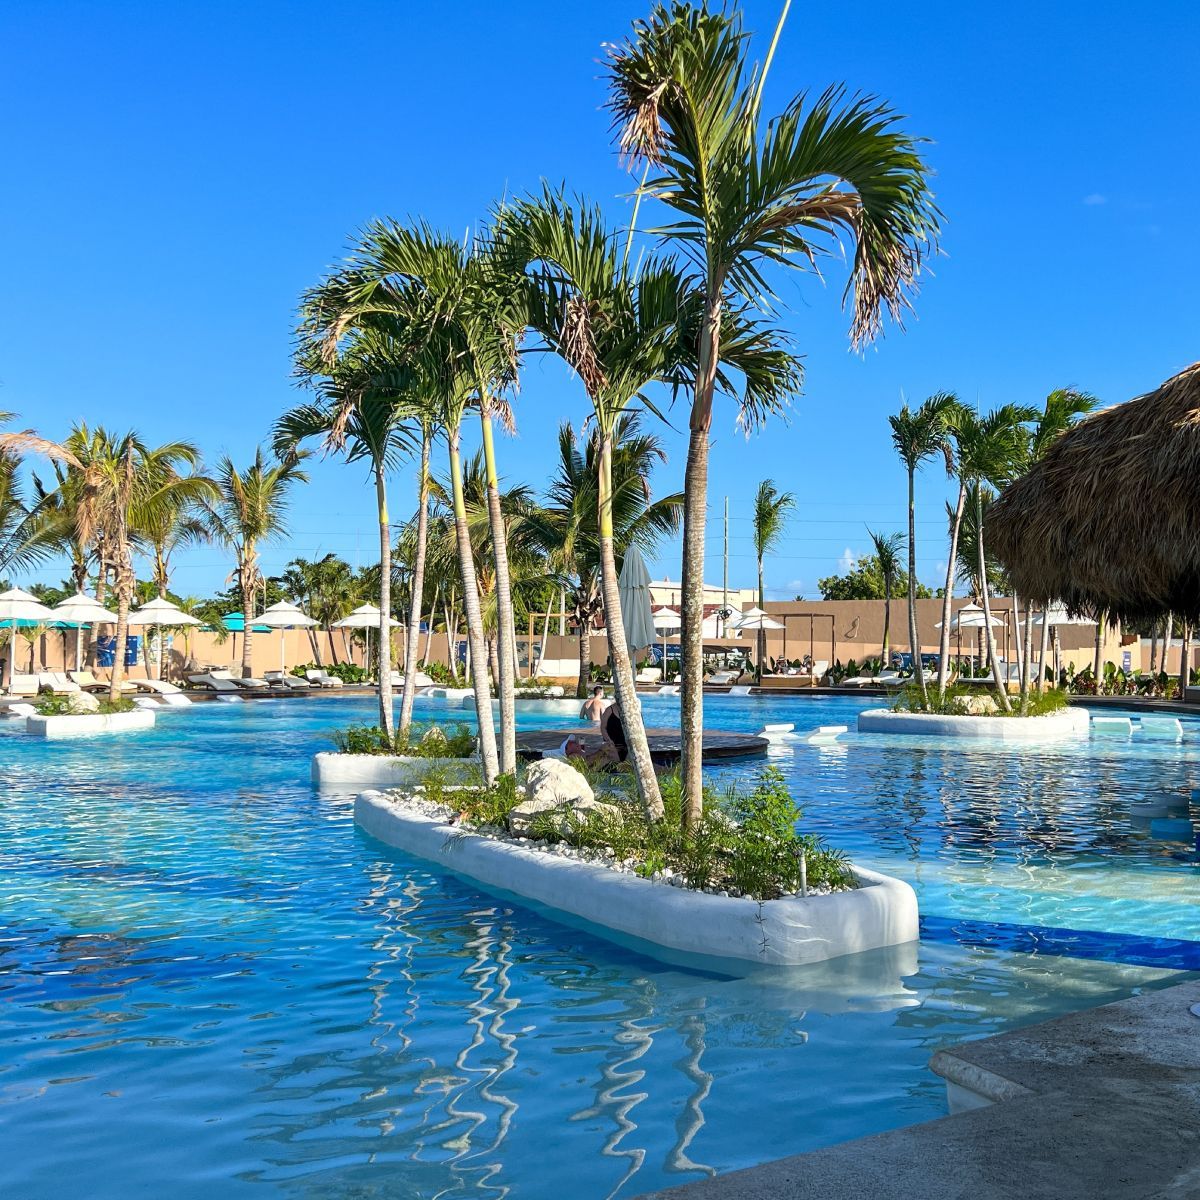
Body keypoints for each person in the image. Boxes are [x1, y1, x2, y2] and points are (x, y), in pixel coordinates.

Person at [588, 700, 628, 767]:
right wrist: (608, 740)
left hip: (627, 745)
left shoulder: (633, 712)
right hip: (611, 744)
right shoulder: (609, 710)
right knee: (606, 752)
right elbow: (603, 727)